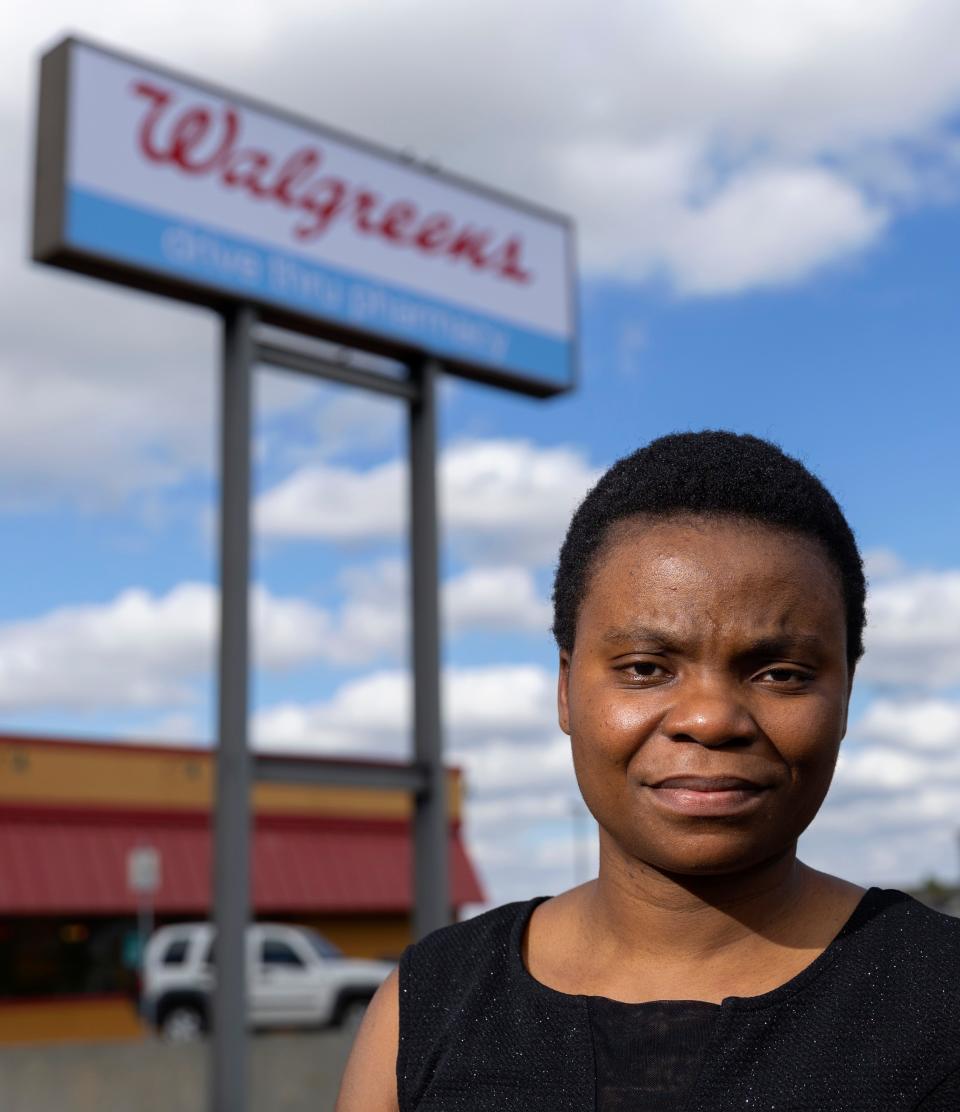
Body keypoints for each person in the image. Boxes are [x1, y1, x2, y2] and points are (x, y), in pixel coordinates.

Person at [337, 430, 960, 1111]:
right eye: (645, 669)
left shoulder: (941, 993)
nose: (711, 718)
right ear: (566, 689)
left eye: (782, 673)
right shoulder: (429, 1002)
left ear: (843, 696)